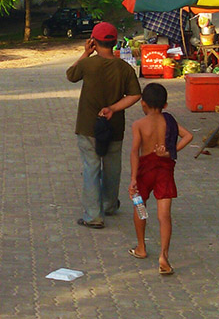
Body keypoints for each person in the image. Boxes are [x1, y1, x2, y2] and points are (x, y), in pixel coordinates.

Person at [66, 21, 142, 229]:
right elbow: (135, 95)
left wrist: (85, 54)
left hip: (88, 126)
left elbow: (70, 75)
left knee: (91, 168)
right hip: (114, 126)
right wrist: (114, 109)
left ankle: (93, 216)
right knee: (112, 167)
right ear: (115, 43)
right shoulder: (124, 68)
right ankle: (109, 205)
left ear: (94, 42)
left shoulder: (87, 64)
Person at [127, 83, 193, 276]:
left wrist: (132, 178)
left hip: (144, 171)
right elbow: (188, 136)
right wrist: (171, 152)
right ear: (165, 104)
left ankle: (141, 247)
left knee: (140, 206)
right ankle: (164, 255)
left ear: (143, 103)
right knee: (164, 215)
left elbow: (134, 151)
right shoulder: (168, 121)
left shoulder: (138, 125)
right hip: (164, 170)